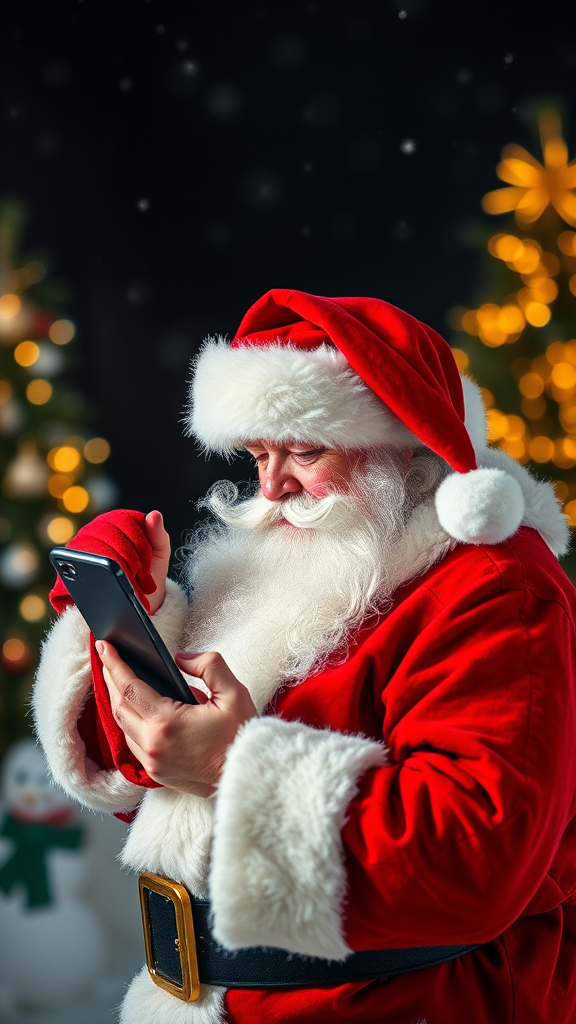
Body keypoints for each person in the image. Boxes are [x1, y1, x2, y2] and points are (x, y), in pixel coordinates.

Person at [33, 289, 576, 1024]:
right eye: (259, 453)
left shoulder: (494, 588)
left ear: (403, 444)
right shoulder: (289, 567)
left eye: (305, 451)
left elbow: (473, 860)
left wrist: (229, 766)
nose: (272, 486)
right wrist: (135, 629)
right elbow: (161, 799)